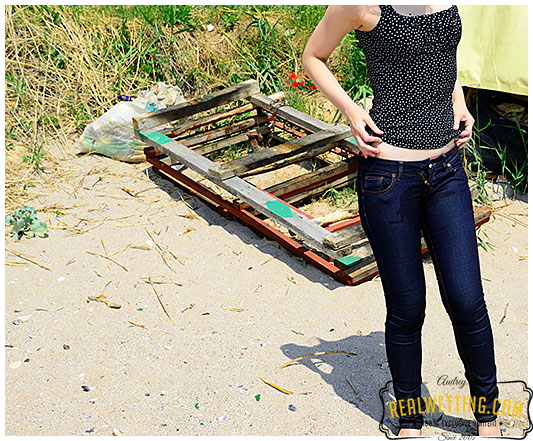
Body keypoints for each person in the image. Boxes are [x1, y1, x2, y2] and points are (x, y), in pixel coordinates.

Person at [302, 5, 501, 437]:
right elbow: (312, 57)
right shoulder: (362, 5)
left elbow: (442, 59)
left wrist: (460, 102)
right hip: (389, 178)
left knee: (468, 300)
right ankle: (409, 418)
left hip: (448, 171)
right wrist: (352, 112)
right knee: (408, 308)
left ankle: (488, 417)